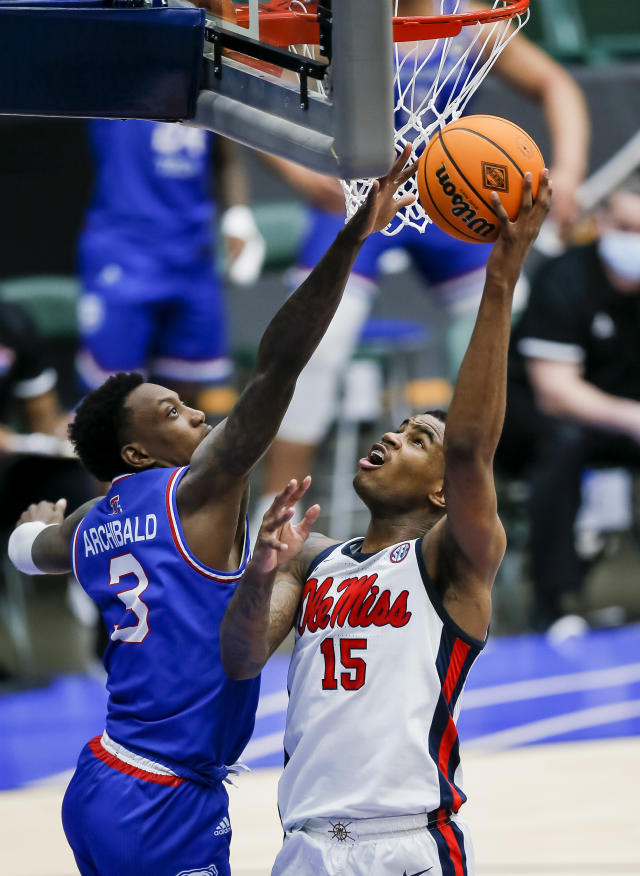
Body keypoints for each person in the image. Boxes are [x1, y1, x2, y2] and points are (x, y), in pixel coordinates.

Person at [6, 149, 415, 876]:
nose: (196, 412)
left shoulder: (93, 522)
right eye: (170, 410)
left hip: (104, 778)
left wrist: (26, 529)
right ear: (136, 453)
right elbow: (280, 363)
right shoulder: (195, 488)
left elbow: (30, 549)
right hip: (160, 799)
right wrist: (351, 235)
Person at [220, 171, 552, 875]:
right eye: (400, 428)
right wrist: (258, 572)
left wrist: (500, 275)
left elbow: (469, 447)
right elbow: (242, 657)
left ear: (443, 493)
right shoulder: (315, 559)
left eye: (417, 440)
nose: (393, 437)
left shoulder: (453, 561)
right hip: (305, 843)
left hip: (406, 842)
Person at [254, 0, 589, 525]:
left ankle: (501, 505)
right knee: (318, 348)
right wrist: (295, 169)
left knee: (516, 331)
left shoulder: (465, 17)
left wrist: (567, 172)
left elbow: (557, 85)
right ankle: (272, 516)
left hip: (449, 201)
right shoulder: (330, 17)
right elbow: (245, 86)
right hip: (361, 191)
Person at [496, 178, 640, 632]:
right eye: (625, 227)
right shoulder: (566, 278)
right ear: (602, 222)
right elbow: (556, 390)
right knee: (564, 442)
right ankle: (553, 604)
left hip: (619, 422)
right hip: (538, 420)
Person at [76, 119, 264, 411]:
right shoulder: (109, 78)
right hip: (124, 251)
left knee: (185, 397)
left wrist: (238, 216)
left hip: (192, 255)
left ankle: (173, 459)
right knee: (113, 398)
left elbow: (225, 153)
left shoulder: (200, 78)